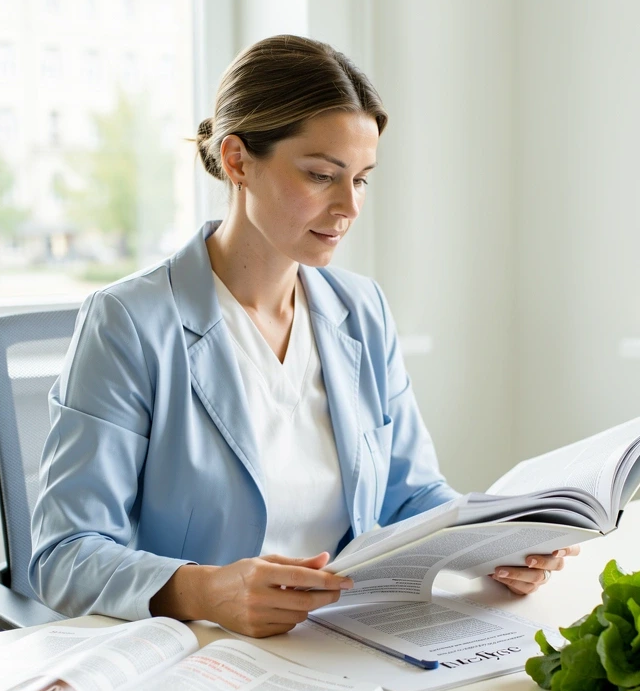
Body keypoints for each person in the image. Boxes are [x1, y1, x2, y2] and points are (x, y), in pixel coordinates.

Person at [28, 34, 579, 639]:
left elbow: (411, 495)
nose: (349, 206)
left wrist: (491, 546)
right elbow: (65, 554)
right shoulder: (128, 322)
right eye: (322, 175)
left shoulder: (361, 309)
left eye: (363, 179)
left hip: (348, 636)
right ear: (236, 160)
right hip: (203, 651)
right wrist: (208, 590)